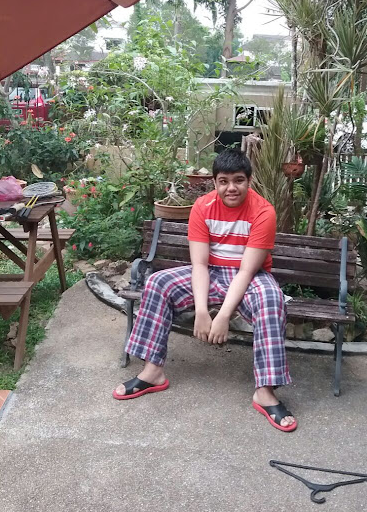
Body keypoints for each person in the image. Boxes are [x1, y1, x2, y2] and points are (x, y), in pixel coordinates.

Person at [113, 148, 296, 432]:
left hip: (250, 275)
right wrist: (201, 312)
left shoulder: (263, 212)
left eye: (238, 180)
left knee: (272, 300)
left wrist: (222, 316)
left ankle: (265, 391)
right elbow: (199, 264)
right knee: (158, 282)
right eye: (224, 181)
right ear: (215, 182)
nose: (231, 187)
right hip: (210, 271)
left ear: (249, 181)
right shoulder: (203, 206)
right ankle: (153, 372)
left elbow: (246, 270)